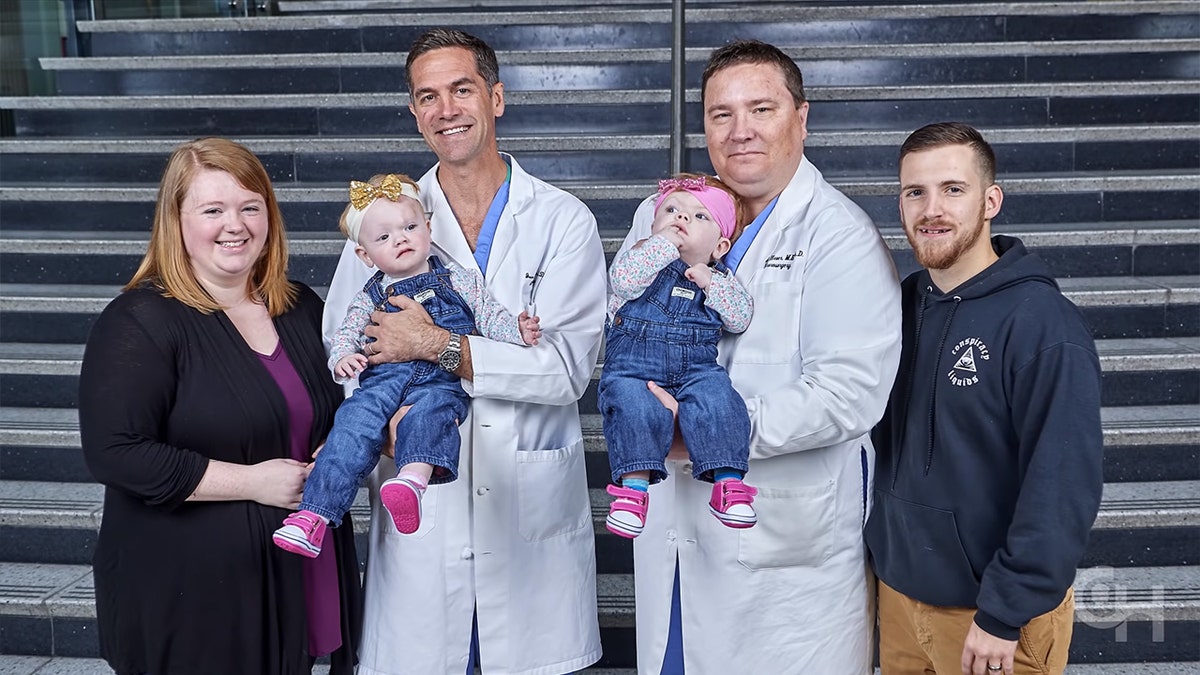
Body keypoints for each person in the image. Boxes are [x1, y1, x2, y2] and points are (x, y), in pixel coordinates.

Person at [322, 28, 606, 675]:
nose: (445, 108)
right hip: (425, 525)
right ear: (416, 113)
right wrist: (386, 424)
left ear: (497, 97)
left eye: (461, 89)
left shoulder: (563, 221)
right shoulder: (383, 220)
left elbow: (562, 371)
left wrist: (437, 346)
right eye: (428, 96)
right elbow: (347, 345)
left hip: (528, 524)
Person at [619, 40, 902, 674]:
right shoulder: (661, 214)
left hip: (787, 561)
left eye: (761, 109)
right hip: (673, 537)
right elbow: (626, 313)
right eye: (721, 114)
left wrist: (708, 431)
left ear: (802, 118)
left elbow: (850, 392)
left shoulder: (838, 234)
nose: (739, 131)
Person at [77, 137, 362, 675]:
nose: (236, 225)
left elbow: (329, 408)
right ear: (177, 221)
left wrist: (336, 447)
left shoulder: (300, 307)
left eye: (250, 207)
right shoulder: (139, 322)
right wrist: (252, 482)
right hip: (192, 593)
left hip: (295, 567)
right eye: (213, 210)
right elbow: (115, 452)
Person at [865, 122, 1104, 675]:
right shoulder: (897, 306)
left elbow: (1062, 482)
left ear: (991, 199)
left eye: (953, 189)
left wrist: (1005, 611)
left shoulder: (1043, 325)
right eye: (914, 192)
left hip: (990, 619)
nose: (932, 209)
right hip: (899, 598)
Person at [274, 173, 540, 554]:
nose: (400, 238)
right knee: (352, 424)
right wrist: (344, 359)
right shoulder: (369, 295)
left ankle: (412, 482)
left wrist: (518, 330)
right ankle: (313, 517)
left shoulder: (459, 280)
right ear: (364, 256)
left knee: (431, 415)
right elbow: (345, 334)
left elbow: (489, 317)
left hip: (440, 379)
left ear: (428, 229)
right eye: (383, 237)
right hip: (382, 382)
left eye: (410, 227)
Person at [600, 173, 756, 539]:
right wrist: (662, 245)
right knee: (632, 409)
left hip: (696, 369)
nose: (681, 219)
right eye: (671, 210)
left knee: (721, 402)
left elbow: (739, 318)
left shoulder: (719, 276)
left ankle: (729, 482)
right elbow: (623, 281)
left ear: (719, 247)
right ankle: (633, 490)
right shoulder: (642, 256)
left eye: (700, 216)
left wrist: (711, 281)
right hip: (634, 369)